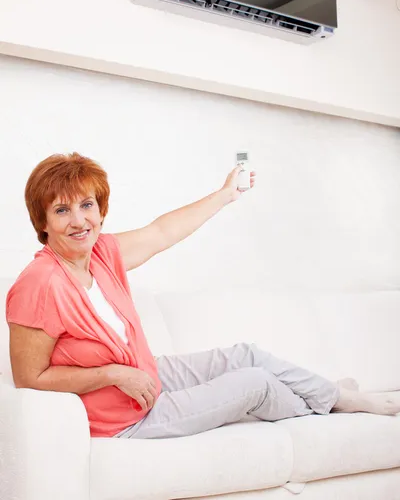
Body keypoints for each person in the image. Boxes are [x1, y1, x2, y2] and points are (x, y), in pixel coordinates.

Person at [6, 153, 400, 439]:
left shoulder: (102, 253)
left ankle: (330, 395)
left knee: (247, 354)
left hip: (147, 376)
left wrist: (226, 194)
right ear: (42, 222)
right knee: (254, 383)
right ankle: (332, 402)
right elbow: (29, 379)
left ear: (100, 209)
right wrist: (113, 374)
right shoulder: (38, 284)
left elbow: (163, 231)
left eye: (86, 205)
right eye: (61, 210)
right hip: (123, 418)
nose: (79, 220)